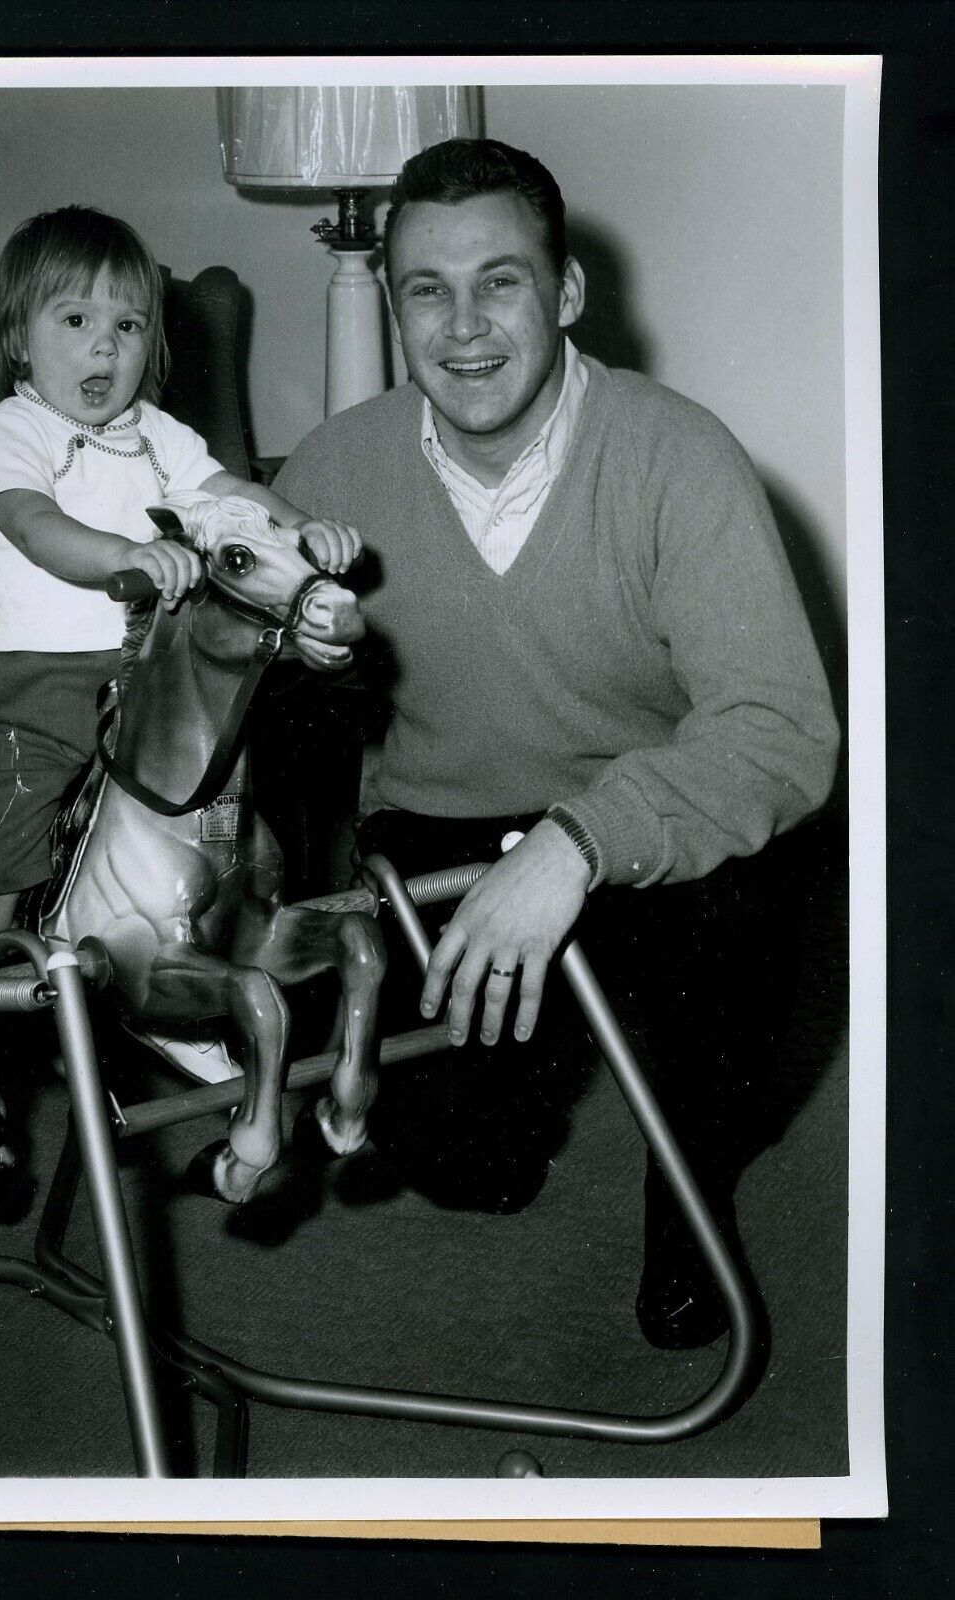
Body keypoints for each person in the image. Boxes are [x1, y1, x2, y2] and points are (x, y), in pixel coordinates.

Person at [274, 139, 840, 1349]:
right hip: (432, 839)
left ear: (567, 292)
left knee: (752, 927)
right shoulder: (331, 471)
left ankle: (688, 1193)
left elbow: (780, 730)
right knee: (461, 1164)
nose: (463, 326)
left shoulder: (678, 455)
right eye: (427, 288)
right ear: (391, 305)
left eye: (501, 281)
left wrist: (576, 846)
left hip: (640, 823)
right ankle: (508, 1103)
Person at [0, 204, 359, 1146]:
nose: (103, 348)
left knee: (203, 814)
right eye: (73, 321)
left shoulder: (158, 435)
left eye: (126, 326)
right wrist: (124, 552)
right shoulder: (13, 432)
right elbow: (36, 526)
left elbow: (231, 494)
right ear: (19, 338)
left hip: (140, 681)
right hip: (24, 685)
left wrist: (296, 525)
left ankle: (169, 996)